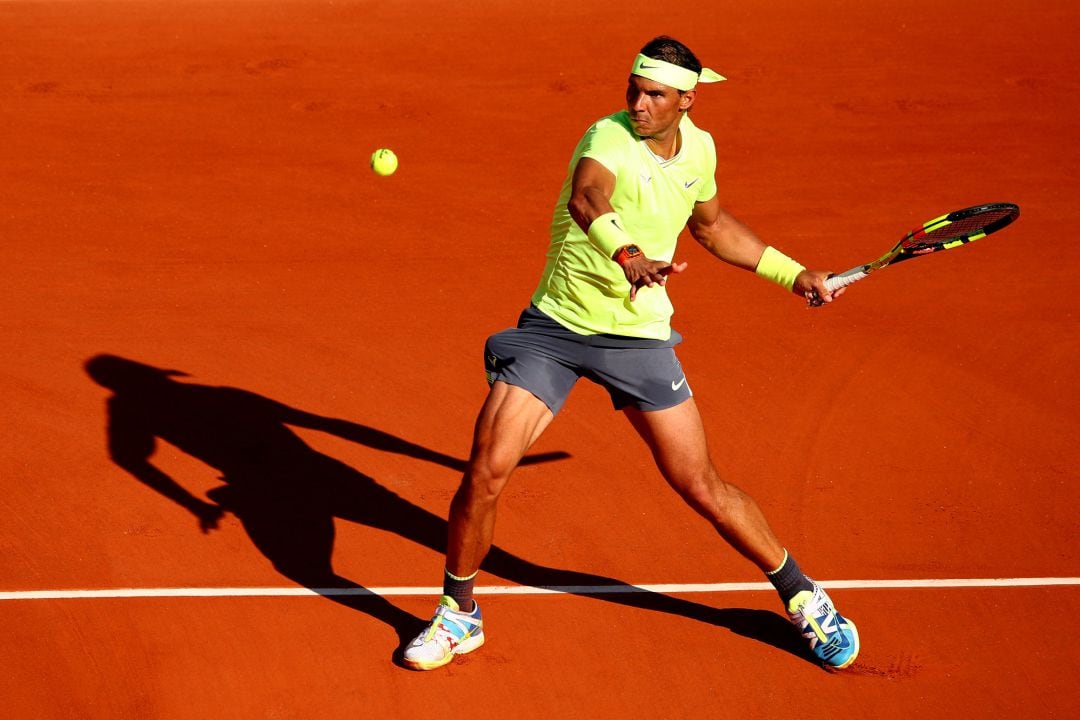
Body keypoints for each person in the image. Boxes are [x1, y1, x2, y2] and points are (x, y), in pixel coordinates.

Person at [403, 35, 858, 671]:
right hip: (555, 329)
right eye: (634, 90)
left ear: (688, 100)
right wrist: (629, 255)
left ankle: (803, 596)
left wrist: (793, 273)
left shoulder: (699, 149)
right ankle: (459, 614)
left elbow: (712, 227)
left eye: (654, 95)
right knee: (485, 469)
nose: (638, 104)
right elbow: (587, 199)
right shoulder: (607, 138)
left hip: (639, 336)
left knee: (700, 484)